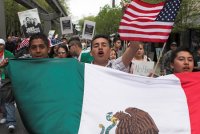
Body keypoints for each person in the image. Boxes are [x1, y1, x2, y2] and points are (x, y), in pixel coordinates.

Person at [0, 38, 16, 132]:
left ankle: (11, 123)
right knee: (2, 101)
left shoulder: (9, 54)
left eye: (1, 44)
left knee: (8, 101)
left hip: (6, 79)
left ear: (4, 45)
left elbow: (13, 65)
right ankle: (5, 116)